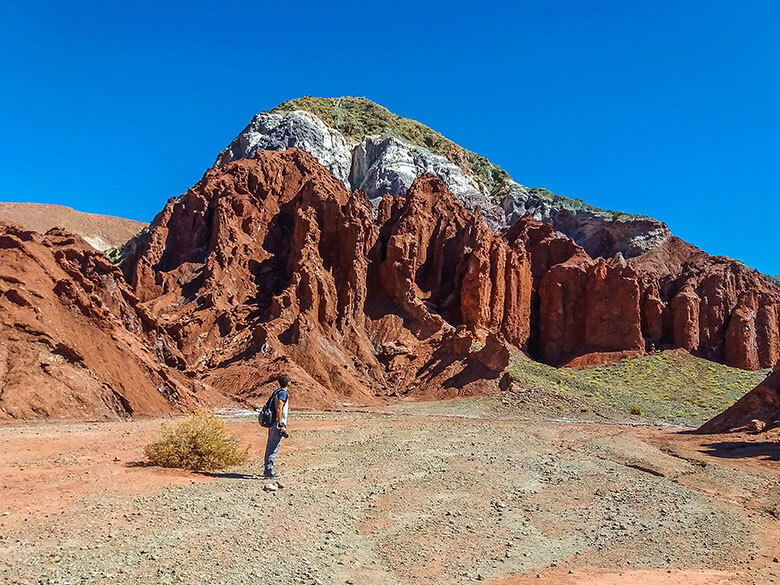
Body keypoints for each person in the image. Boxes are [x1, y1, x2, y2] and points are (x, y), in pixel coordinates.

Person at [263, 374, 290, 479]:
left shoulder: (277, 392)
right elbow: (279, 408)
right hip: (277, 423)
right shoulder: (283, 393)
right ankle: (269, 472)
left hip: (273, 422)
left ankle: (268, 470)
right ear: (288, 383)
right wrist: (281, 424)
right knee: (273, 447)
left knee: (271, 445)